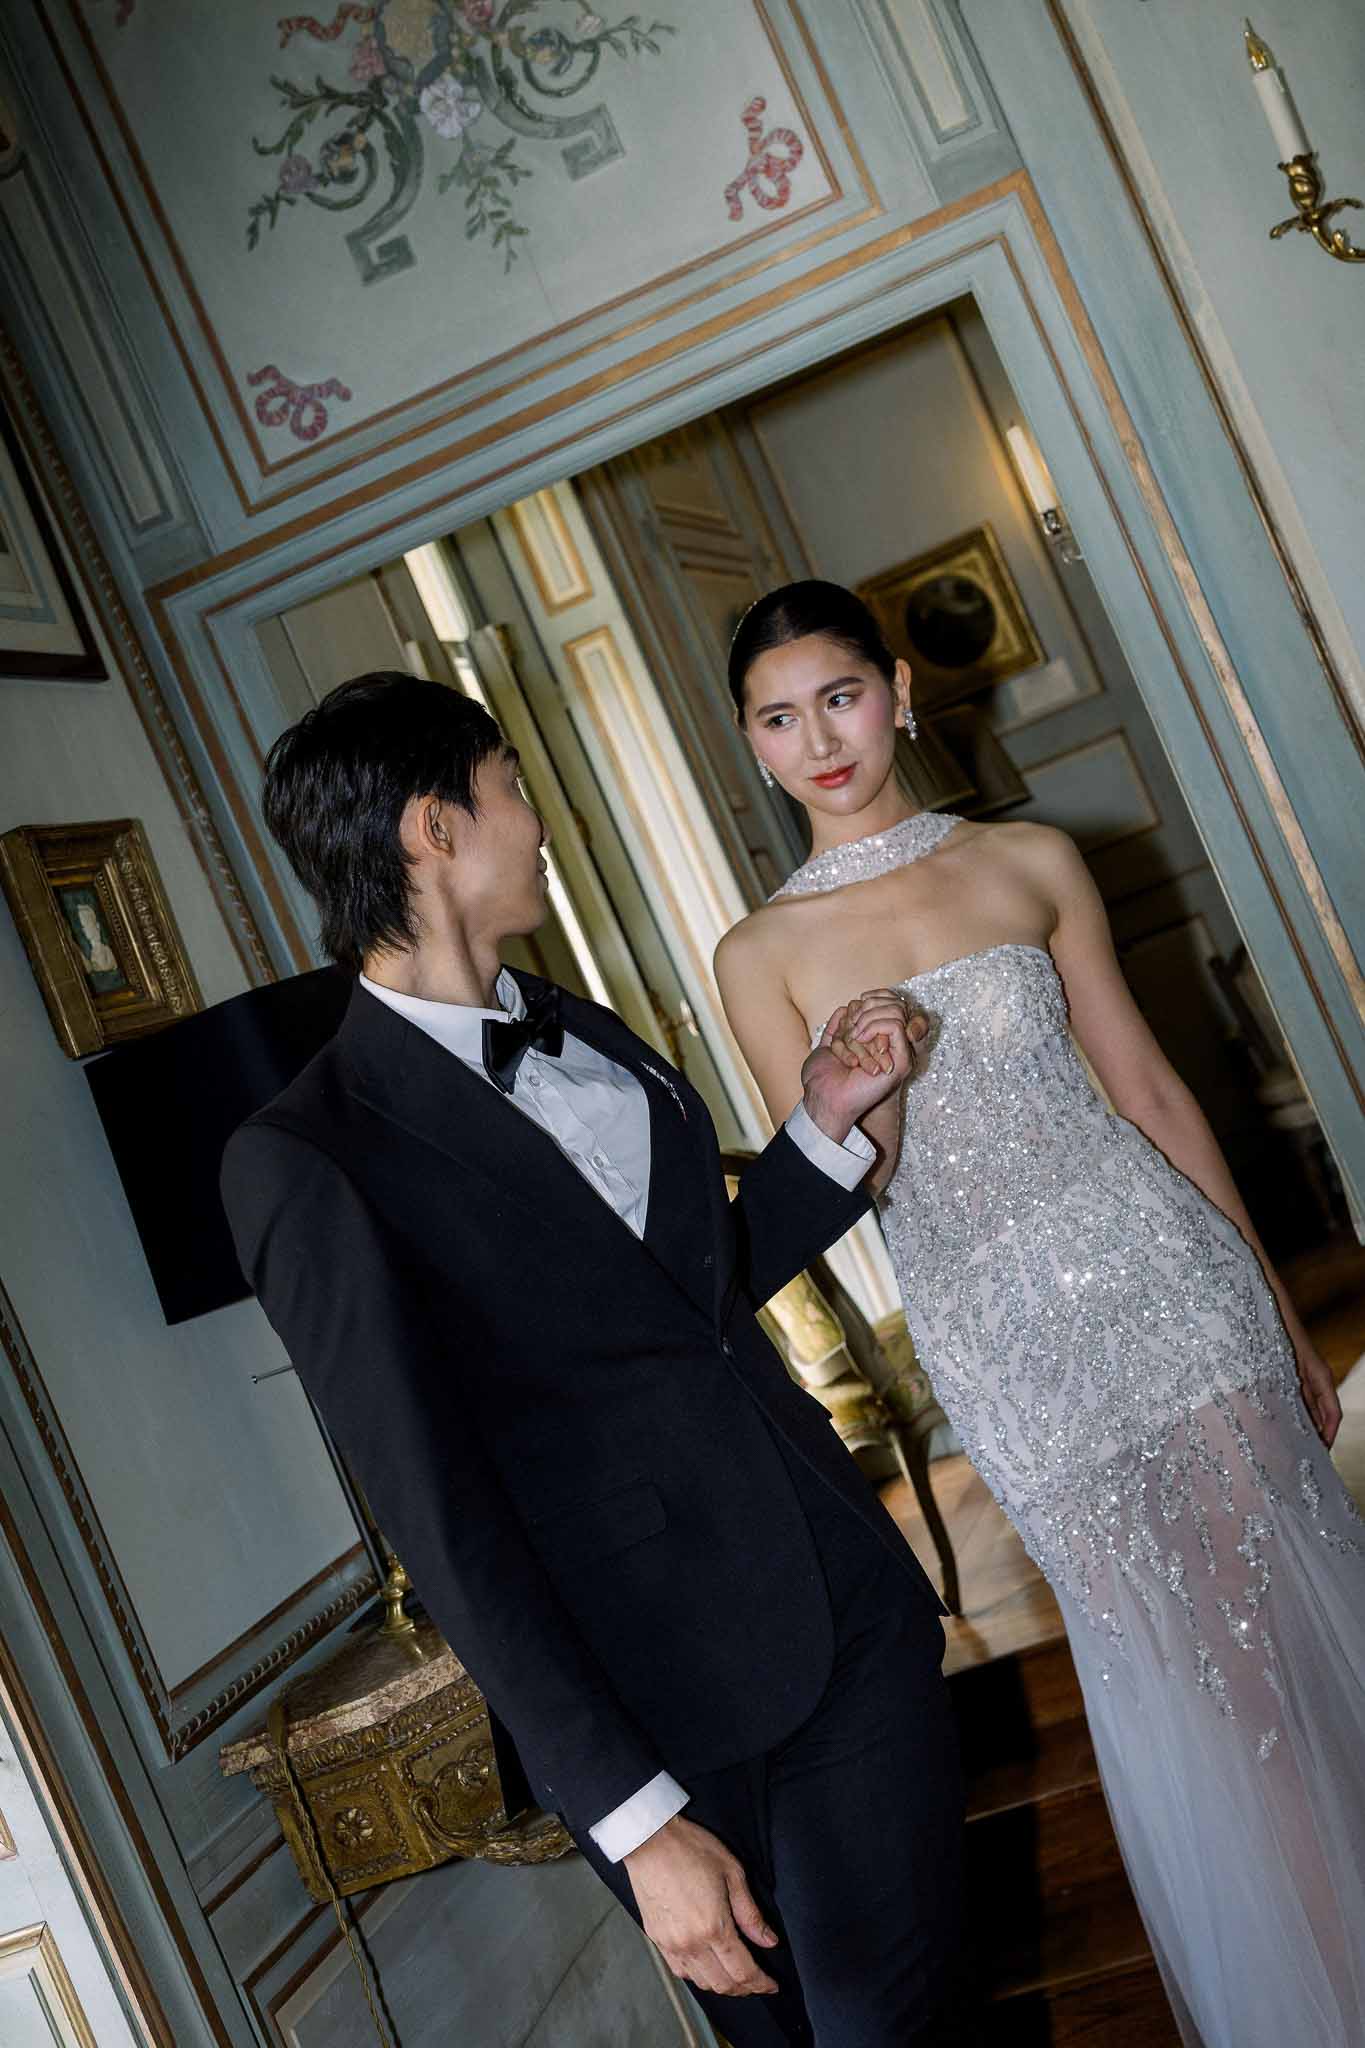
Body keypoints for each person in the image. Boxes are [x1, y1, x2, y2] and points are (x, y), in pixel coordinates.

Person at [221, 671, 967, 2048]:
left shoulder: (579, 1025)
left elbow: (689, 1305)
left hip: (841, 1593)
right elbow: (439, 1521)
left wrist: (825, 1125)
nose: (538, 821)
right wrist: (629, 1816)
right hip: (657, 1703)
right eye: (510, 788)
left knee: (895, 2018)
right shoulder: (307, 1157)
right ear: (435, 828)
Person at [715, 580, 1365, 2048]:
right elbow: (851, 1188)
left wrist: (1266, 1294)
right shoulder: (757, 956)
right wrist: (861, 1095)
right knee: (1189, 1686)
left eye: (839, 697)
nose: (820, 741)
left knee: (1290, 1630)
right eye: (779, 718)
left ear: (898, 690)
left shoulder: (1026, 859)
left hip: (1169, 1284)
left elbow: (1146, 1090)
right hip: (1008, 1350)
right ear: (750, 744)